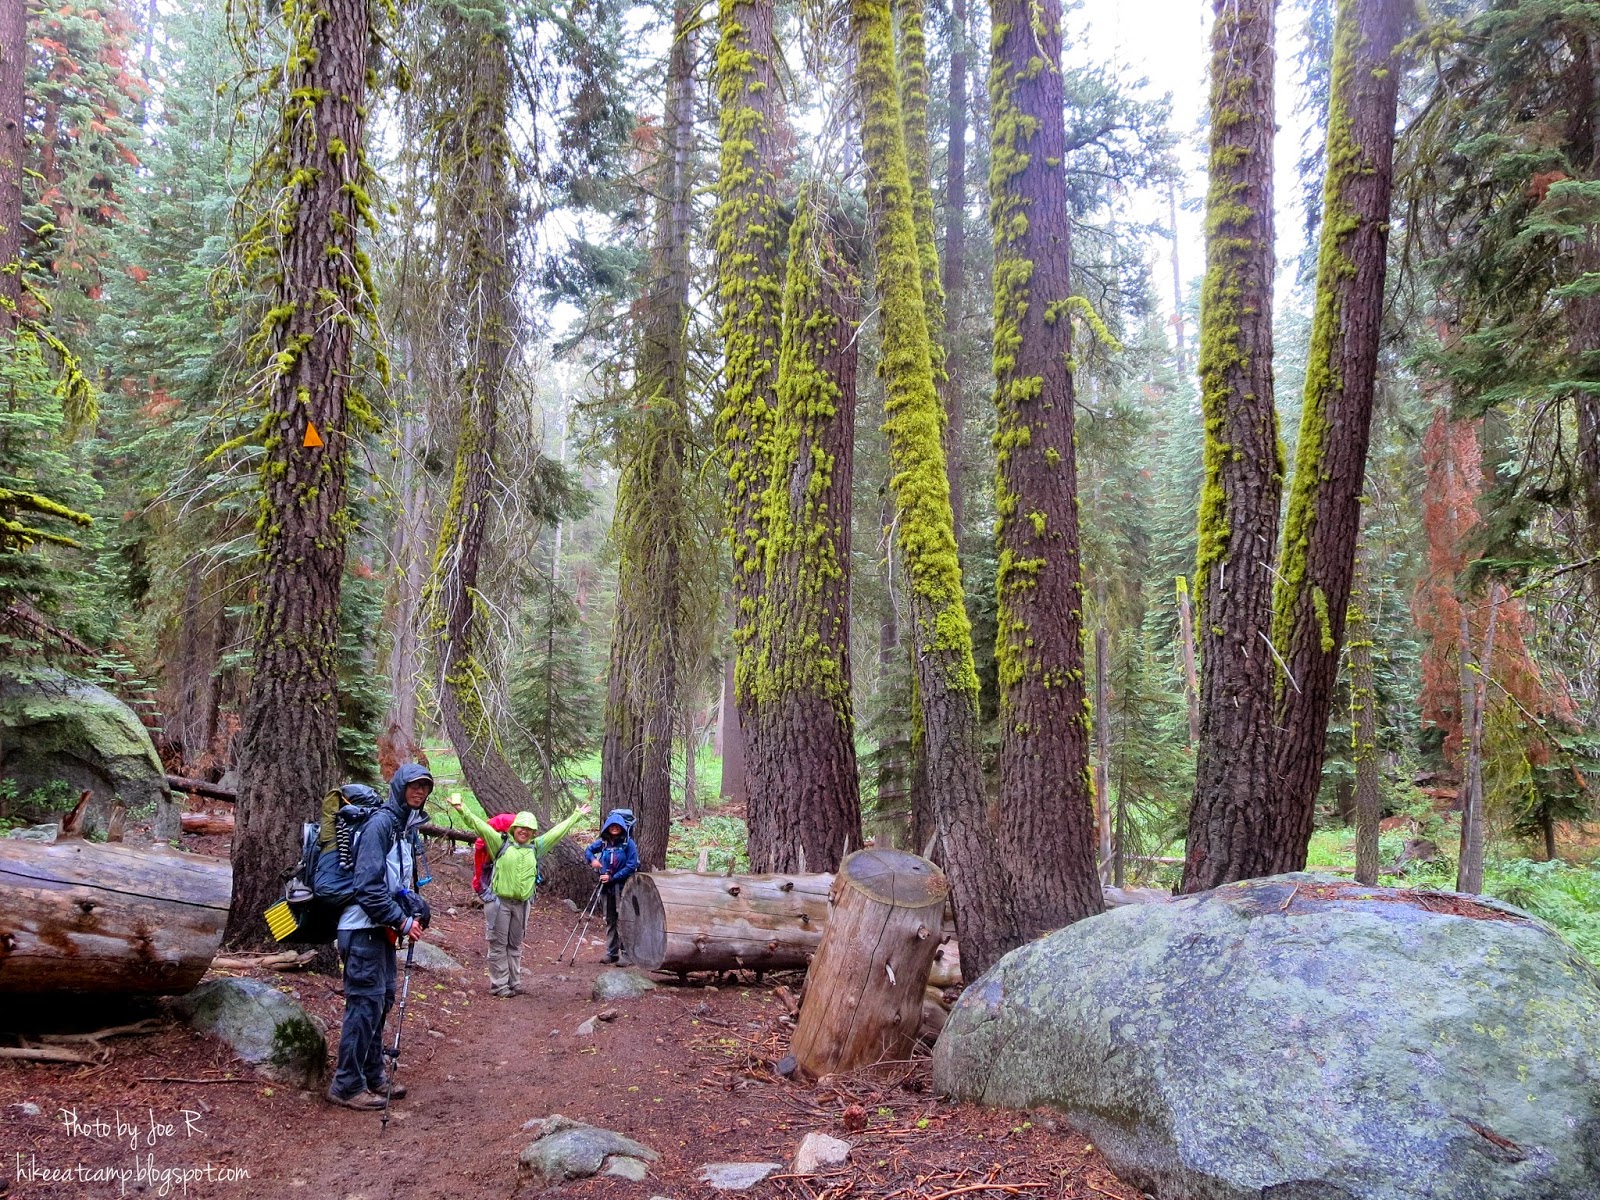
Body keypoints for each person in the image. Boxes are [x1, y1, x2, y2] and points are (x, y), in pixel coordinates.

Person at [326, 762, 433, 1110]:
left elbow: (395, 885)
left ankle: (372, 1074)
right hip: (361, 930)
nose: (419, 792)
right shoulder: (380, 825)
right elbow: (368, 888)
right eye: (413, 786)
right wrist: (402, 922)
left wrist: (414, 904)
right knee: (364, 1005)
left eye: (425, 787)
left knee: (380, 1002)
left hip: (379, 932)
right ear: (399, 786)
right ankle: (346, 1084)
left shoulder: (402, 827)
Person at [448, 794, 590, 996]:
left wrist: (576, 816)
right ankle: (499, 985)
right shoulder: (499, 842)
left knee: (514, 945)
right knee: (498, 945)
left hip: (522, 904)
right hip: (499, 902)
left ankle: (514, 982)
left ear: (533, 832)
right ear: (514, 828)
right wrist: (462, 809)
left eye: (529, 829)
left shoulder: (537, 847)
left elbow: (557, 833)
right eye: (521, 827)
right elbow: (479, 826)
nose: (524, 831)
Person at [585, 811, 640, 964]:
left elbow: (632, 865)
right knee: (610, 919)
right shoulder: (603, 843)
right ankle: (612, 952)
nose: (614, 828)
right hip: (606, 888)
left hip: (624, 888)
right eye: (612, 826)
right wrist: (592, 860)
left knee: (624, 919)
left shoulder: (628, 843)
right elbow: (588, 850)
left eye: (617, 826)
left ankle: (627, 954)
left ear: (622, 827)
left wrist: (613, 877)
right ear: (607, 827)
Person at [471, 811, 516, 937]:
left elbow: (480, 871)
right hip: (495, 892)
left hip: (502, 893)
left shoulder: (488, 840)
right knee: (498, 937)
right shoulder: (489, 844)